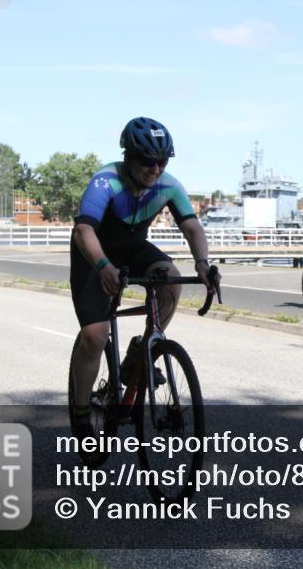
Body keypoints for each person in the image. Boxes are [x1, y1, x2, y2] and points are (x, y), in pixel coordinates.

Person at [69, 117, 215, 438]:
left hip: (132, 248)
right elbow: (83, 230)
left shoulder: (169, 186)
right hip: (93, 253)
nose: (156, 168)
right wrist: (104, 265)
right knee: (95, 336)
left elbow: (191, 226)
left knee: (170, 278)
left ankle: (138, 355)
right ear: (129, 157)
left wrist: (202, 263)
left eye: (162, 161)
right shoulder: (106, 181)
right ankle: (81, 409)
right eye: (148, 161)